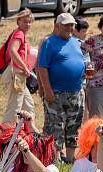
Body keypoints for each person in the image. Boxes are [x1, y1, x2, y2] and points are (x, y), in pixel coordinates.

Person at [37, 13, 86, 162]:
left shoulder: (75, 42)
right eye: (66, 25)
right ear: (57, 25)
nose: (70, 28)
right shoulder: (49, 42)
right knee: (55, 126)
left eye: (72, 25)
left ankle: (70, 158)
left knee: (74, 125)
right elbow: (42, 67)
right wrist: (47, 89)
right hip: (56, 92)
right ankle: (54, 159)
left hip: (76, 91)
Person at [0, 9, 37, 124]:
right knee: (14, 107)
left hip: (19, 74)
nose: (28, 24)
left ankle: (30, 133)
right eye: (25, 22)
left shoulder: (19, 33)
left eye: (29, 22)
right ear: (18, 22)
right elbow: (13, 51)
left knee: (28, 105)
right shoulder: (19, 34)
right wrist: (25, 68)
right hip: (17, 74)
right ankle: (6, 137)